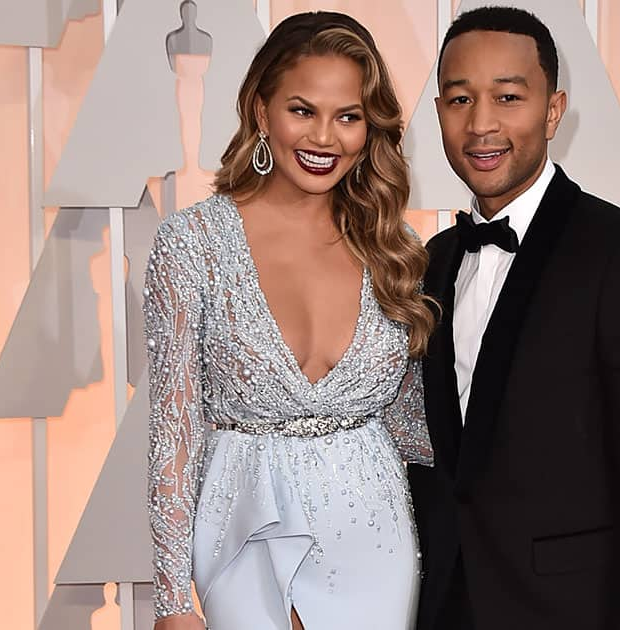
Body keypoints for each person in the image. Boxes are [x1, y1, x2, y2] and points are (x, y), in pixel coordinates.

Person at [408, 7, 620, 630]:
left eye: (508, 97)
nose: (482, 124)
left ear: (554, 109)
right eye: (460, 99)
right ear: (438, 113)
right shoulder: (432, 263)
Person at [144, 12, 435, 630]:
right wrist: (171, 600)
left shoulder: (394, 244)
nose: (325, 137)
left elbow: (415, 427)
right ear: (260, 109)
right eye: (303, 110)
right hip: (242, 522)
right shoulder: (192, 243)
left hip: (372, 531)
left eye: (348, 116)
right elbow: (174, 429)